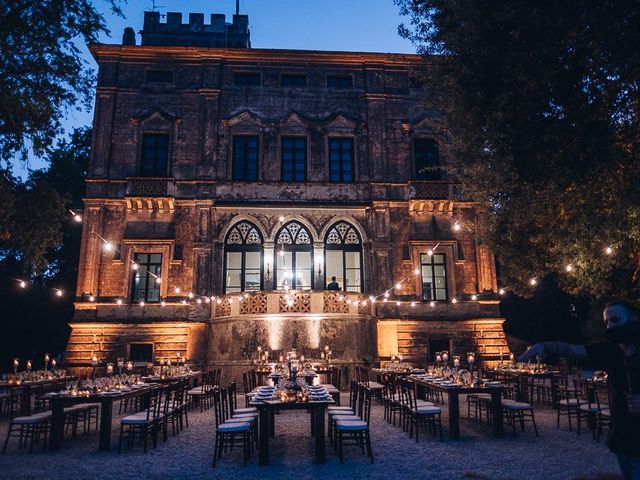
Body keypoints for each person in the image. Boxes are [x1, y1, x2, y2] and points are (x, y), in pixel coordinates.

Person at [519, 301, 640, 480]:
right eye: (607, 322)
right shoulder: (610, 351)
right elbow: (571, 349)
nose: (611, 326)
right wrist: (545, 346)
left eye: (615, 320)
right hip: (624, 443)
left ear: (634, 320)